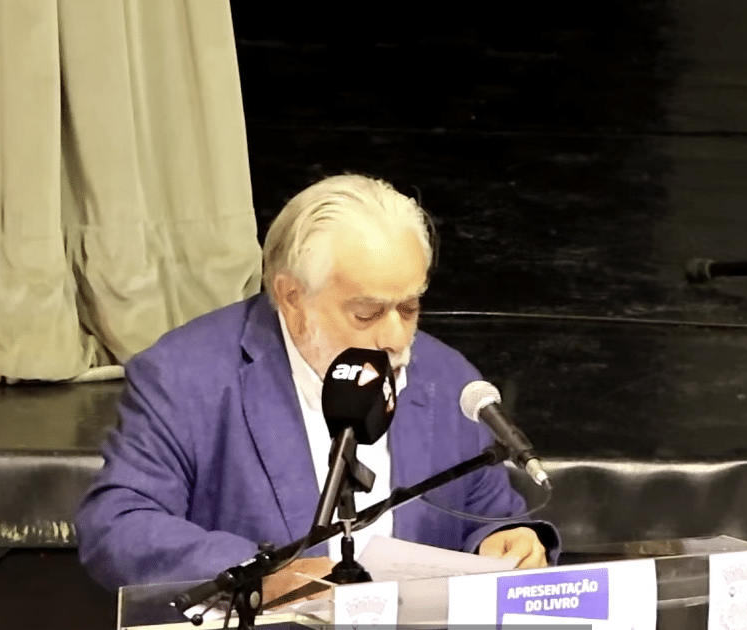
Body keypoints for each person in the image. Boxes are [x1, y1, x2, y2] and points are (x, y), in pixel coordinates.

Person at [75, 174, 560, 601]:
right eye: (367, 312)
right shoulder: (187, 376)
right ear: (292, 297)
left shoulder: (447, 378)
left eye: (409, 308)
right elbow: (118, 525)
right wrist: (259, 577)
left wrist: (507, 540)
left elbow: (488, 514)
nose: (395, 338)